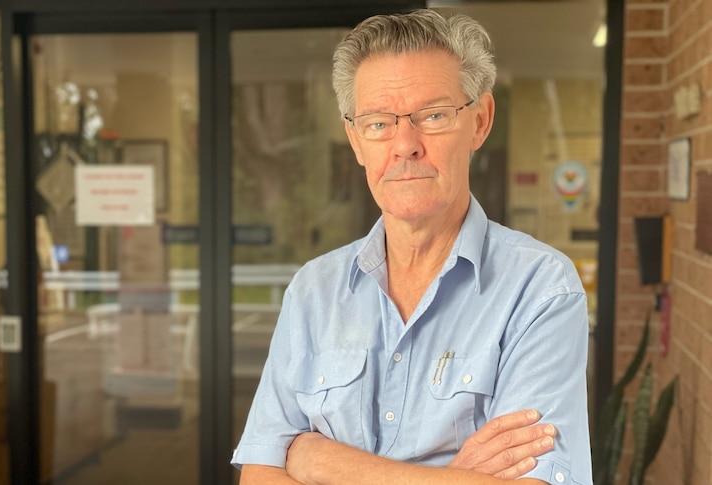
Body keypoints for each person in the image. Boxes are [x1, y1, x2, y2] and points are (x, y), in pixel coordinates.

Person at [231, 8, 593, 485]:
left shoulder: (540, 290)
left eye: (434, 115)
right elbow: (260, 476)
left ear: (480, 121)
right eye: (378, 123)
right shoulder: (313, 292)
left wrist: (316, 459)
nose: (405, 144)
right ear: (356, 140)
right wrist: (455, 477)